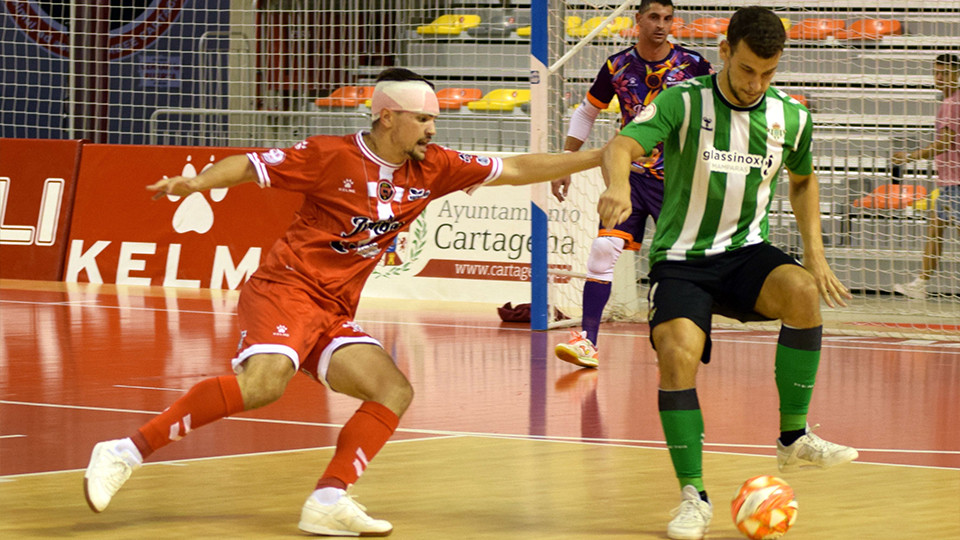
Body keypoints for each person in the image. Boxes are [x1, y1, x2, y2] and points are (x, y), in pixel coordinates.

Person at [82, 67, 603, 537]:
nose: (432, 129)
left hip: (334, 310)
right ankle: (124, 452)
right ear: (387, 117)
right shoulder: (330, 156)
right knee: (264, 385)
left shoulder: (436, 167)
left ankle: (328, 498)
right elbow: (248, 165)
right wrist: (196, 181)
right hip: (286, 289)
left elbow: (515, 168)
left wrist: (601, 155)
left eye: (435, 119)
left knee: (392, 390)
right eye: (423, 119)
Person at [597, 7, 858, 539]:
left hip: (745, 253)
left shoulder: (792, 116)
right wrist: (619, 186)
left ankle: (793, 437)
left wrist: (815, 252)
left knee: (803, 293)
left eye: (768, 73)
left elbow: (803, 181)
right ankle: (693, 494)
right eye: (746, 71)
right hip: (683, 260)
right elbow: (622, 145)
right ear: (724, 52)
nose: (755, 84)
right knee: (675, 356)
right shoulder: (682, 100)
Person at [553, 0, 712, 369]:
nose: (661, 25)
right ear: (637, 20)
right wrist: (565, 161)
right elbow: (587, 111)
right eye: (654, 17)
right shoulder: (618, 65)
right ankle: (587, 342)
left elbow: (713, 114)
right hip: (630, 177)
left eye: (668, 18)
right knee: (603, 249)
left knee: (683, 262)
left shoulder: (694, 66)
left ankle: (690, 335)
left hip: (677, 180)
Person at [892, 53, 960, 299]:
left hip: (956, 182)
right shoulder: (949, 101)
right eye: (936, 72)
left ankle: (920, 283)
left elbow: (945, 144)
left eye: (944, 72)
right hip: (948, 182)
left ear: (957, 74)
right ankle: (920, 283)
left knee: (937, 230)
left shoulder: (953, 104)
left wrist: (910, 156)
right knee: (935, 229)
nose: (938, 77)